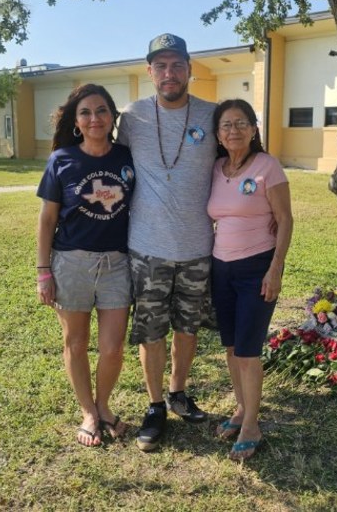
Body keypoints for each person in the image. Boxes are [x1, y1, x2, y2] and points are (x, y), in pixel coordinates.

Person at [117, 33, 217, 451]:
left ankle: (178, 393)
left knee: (187, 328)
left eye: (177, 65)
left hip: (198, 246)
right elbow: (113, 167)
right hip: (147, 247)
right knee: (151, 330)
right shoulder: (132, 116)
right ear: (149, 72)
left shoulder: (213, 115)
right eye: (161, 66)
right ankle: (155, 404)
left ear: (190, 69)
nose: (169, 73)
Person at [36, 84, 135, 447]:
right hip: (71, 263)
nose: (94, 118)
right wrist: (43, 272)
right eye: (86, 113)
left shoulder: (127, 156)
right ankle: (89, 413)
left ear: (112, 117)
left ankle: (105, 404)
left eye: (102, 111)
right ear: (76, 121)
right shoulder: (62, 159)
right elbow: (47, 220)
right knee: (75, 343)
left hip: (117, 264)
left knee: (113, 347)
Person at [207, 99, 293, 461]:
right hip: (220, 268)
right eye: (226, 125)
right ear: (217, 134)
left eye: (241, 123)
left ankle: (252, 425)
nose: (233, 130)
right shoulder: (216, 168)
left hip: (256, 268)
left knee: (248, 350)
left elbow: (285, 220)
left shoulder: (267, 166)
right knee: (230, 347)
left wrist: (275, 269)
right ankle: (242, 409)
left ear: (254, 129)